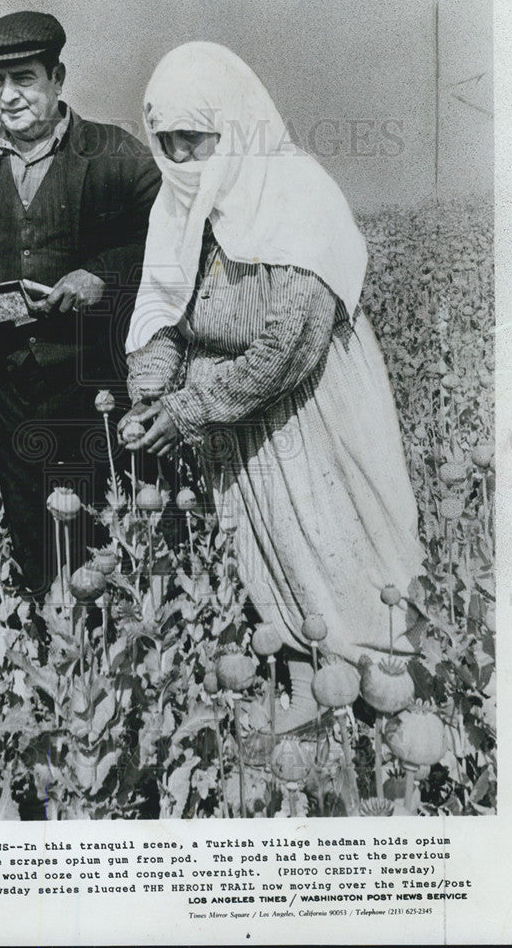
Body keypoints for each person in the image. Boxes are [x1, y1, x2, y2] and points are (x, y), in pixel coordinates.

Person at [122, 41, 425, 722]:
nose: (182, 161)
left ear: (233, 126)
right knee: (273, 559)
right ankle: (311, 696)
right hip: (237, 426)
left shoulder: (297, 192)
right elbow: (163, 315)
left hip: (315, 411)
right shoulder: (176, 208)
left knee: (349, 557)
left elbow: (290, 346)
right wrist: (149, 395)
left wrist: (192, 406)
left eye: (194, 141)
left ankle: (397, 711)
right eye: (166, 144)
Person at [0, 11, 161, 596]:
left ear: (57, 77)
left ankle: (109, 650)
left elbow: (164, 242)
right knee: (29, 525)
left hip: (94, 383)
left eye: (24, 78)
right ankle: (48, 635)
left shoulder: (114, 153)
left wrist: (99, 276)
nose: (7, 96)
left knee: (100, 520)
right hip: (8, 380)